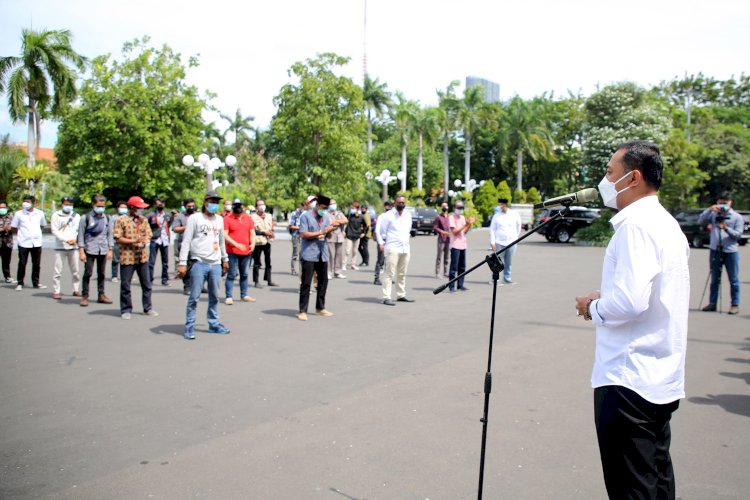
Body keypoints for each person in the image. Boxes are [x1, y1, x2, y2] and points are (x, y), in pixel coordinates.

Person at [574, 141, 689, 499]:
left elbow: (628, 302)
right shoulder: (665, 223)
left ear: (633, 178)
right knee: (655, 476)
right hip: (659, 376)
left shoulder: (635, 226)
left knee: (632, 488)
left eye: (610, 173)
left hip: (628, 380)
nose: (605, 181)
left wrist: (590, 307)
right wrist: (606, 297)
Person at [177, 191, 230, 340]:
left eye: (216, 201)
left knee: (214, 296)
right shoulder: (195, 218)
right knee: (194, 297)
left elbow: (221, 241)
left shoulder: (219, 219)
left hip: (215, 263)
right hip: (199, 262)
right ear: (205, 202)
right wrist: (182, 263)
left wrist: (224, 259)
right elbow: (186, 241)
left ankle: (214, 324)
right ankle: (189, 327)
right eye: (212, 201)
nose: (214, 204)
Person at [113, 196, 158, 320]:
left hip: (142, 256)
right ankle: (126, 309)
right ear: (132, 207)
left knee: (146, 283)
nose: (141, 211)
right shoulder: (121, 220)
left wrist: (144, 241)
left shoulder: (143, 220)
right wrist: (133, 241)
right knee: (126, 284)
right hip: (127, 256)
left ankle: (147, 307)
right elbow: (118, 237)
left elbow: (149, 234)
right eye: (139, 208)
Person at [698, 191, 742, 315]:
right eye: (720, 203)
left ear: (730, 203)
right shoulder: (713, 214)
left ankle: (734, 304)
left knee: (733, 279)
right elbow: (700, 221)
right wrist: (709, 210)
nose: (722, 206)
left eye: (725, 203)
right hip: (715, 250)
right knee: (714, 278)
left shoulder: (736, 217)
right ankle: (712, 303)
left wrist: (726, 228)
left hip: (730, 251)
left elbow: (738, 235)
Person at [297, 195, 336, 321]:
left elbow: (328, 236)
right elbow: (303, 234)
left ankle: (320, 308)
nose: (324, 210)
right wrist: (322, 232)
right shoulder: (305, 216)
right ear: (317, 205)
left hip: (322, 254)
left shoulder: (326, 217)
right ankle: (302, 310)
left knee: (323, 282)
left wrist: (330, 231)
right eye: (323, 208)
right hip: (309, 254)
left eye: (327, 208)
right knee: (306, 283)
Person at [376, 195, 414, 305]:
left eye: (403, 202)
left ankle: (401, 295)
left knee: (402, 273)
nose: (401, 204)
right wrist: (381, 243)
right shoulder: (388, 216)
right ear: (394, 203)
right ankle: (386, 296)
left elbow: (409, 230)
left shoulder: (408, 215)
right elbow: (381, 231)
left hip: (405, 248)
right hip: (392, 248)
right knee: (389, 273)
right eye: (399, 202)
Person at [77, 194, 114, 306]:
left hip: (102, 249)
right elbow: (81, 235)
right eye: (98, 205)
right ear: (93, 205)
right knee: (88, 273)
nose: (101, 208)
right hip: (90, 249)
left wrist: (110, 249)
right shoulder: (86, 218)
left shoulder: (107, 218)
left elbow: (109, 234)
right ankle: (85, 296)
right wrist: (81, 251)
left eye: (102, 206)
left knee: (101, 273)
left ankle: (101, 294)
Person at [11, 194, 47, 291]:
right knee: (22, 263)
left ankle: (36, 282)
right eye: (24, 201)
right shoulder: (19, 214)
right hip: (23, 242)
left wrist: (36, 233)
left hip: (36, 242)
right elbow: (14, 227)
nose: (25, 204)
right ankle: (20, 283)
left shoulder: (40, 213)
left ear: (33, 203)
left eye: (28, 202)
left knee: (36, 264)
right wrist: (21, 235)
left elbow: (43, 225)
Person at [224, 198, 256, 305]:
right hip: (232, 251)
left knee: (245, 274)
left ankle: (244, 295)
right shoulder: (227, 219)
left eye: (240, 205)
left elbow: (252, 233)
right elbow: (225, 235)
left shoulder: (248, 218)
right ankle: (229, 296)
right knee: (232, 274)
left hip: (246, 251)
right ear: (233, 207)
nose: (238, 207)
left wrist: (253, 243)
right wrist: (236, 244)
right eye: (236, 205)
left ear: (243, 206)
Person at [49, 196, 82, 299]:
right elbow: (54, 230)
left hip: (73, 246)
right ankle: (56, 290)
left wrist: (76, 240)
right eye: (66, 204)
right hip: (60, 246)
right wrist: (65, 239)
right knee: (57, 271)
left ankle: (76, 289)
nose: (68, 206)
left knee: (75, 270)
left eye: (70, 204)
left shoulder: (76, 216)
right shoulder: (56, 215)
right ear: (62, 204)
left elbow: (79, 230)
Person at [489, 198, 522, 285]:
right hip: (499, 242)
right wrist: (492, 242)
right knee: (498, 262)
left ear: (505, 205)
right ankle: (495, 279)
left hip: (511, 242)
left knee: (508, 262)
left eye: (501, 205)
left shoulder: (514, 214)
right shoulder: (496, 216)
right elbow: (492, 229)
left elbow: (518, 226)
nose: (500, 206)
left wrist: (515, 238)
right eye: (499, 205)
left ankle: (507, 278)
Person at [448, 200, 475, 292]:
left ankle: (460, 284)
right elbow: (454, 232)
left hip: (463, 245)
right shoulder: (451, 217)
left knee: (462, 267)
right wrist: (466, 225)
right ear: (454, 207)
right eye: (458, 207)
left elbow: (465, 231)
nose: (459, 209)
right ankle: (451, 286)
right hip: (455, 245)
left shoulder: (462, 218)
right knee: (454, 267)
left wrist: (470, 224)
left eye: (461, 208)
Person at [171, 198, 197, 294]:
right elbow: (175, 228)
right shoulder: (180, 217)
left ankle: (199, 286)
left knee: (198, 266)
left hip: (197, 245)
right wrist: (187, 227)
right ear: (185, 207)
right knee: (188, 266)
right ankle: (187, 286)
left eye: (192, 206)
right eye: (189, 206)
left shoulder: (198, 216)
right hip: (185, 244)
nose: (191, 208)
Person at [251, 199, 278, 287]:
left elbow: (271, 227)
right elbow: (252, 230)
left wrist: (271, 233)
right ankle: (256, 281)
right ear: (256, 207)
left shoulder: (269, 216)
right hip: (258, 241)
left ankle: (269, 280)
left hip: (267, 241)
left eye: (263, 204)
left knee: (268, 261)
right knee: (257, 262)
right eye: (259, 205)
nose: (261, 206)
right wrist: (263, 233)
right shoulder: (252, 217)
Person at [147, 197, 171, 287]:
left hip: (164, 240)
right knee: (151, 261)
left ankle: (165, 279)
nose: (160, 205)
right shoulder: (151, 215)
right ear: (155, 205)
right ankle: (149, 279)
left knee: (165, 262)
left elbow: (169, 225)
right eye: (158, 204)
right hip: (155, 239)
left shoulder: (167, 216)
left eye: (162, 204)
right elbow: (146, 225)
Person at [326, 199, 348, 278]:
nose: (333, 205)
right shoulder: (326, 214)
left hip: (340, 237)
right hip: (331, 236)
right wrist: (338, 222)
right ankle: (328, 272)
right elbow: (331, 224)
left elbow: (345, 220)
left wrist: (337, 221)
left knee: (339, 255)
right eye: (331, 204)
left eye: (334, 203)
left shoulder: (339, 213)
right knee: (330, 255)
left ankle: (337, 272)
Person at [373, 200, 392, 286]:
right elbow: (377, 230)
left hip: (391, 241)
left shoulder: (393, 216)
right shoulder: (382, 216)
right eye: (387, 206)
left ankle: (388, 278)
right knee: (380, 260)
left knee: (389, 261)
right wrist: (380, 242)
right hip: (383, 240)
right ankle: (376, 278)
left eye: (390, 206)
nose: (388, 207)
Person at [344, 200, 365, 271]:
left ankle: (353, 264)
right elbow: (345, 218)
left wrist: (363, 232)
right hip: (349, 235)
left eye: (354, 208)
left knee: (355, 251)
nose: (352, 209)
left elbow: (365, 225)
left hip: (357, 236)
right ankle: (344, 264)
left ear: (357, 208)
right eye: (352, 208)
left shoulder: (361, 217)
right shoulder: (350, 215)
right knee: (347, 251)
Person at [110, 201, 128, 283]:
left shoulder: (128, 218)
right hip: (116, 241)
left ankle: (125, 275)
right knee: (115, 259)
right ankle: (114, 275)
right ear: (117, 208)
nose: (123, 209)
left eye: (125, 207)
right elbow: (111, 230)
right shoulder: (114, 218)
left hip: (126, 241)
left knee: (125, 259)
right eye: (122, 207)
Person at [433, 201, 451, 279]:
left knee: (447, 256)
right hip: (441, 238)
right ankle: (437, 272)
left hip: (448, 239)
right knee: (439, 256)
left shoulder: (449, 217)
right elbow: (435, 227)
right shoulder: (438, 217)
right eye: (443, 206)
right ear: (441, 207)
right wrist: (442, 231)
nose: (445, 208)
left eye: (446, 206)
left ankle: (446, 272)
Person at [288, 201, 305, 276]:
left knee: (303, 254)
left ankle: (302, 270)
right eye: (304, 207)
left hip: (304, 236)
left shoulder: (307, 213)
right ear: (301, 206)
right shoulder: (295, 213)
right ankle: (293, 269)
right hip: (296, 235)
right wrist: (299, 228)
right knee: (295, 253)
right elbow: (290, 225)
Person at [0, 200, 14, 283]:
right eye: (0, 207)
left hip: (7, 242)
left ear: (7, 208)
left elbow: (15, 227)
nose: (2, 209)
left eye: (4, 207)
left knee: (6, 261)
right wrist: (3, 229)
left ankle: (7, 277)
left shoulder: (11, 217)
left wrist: (11, 228)